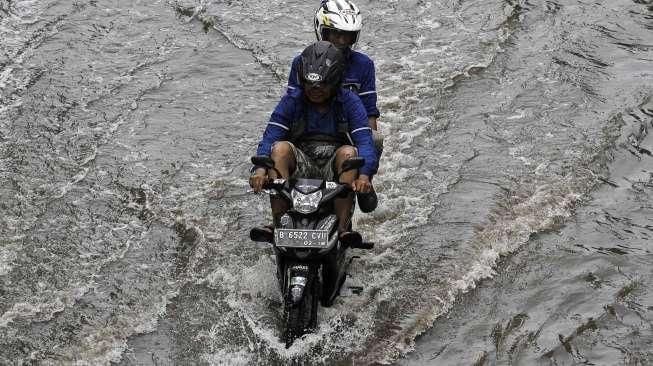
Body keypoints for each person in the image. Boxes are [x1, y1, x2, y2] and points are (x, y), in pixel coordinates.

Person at [250, 41, 378, 238]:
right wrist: (259, 171)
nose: (315, 89)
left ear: (335, 81)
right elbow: (270, 137)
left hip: (335, 171)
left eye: (322, 84)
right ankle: (280, 224)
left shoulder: (350, 102)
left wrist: (363, 177)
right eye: (310, 84)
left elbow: (365, 142)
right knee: (280, 149)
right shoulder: (292, 101)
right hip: (302, 165)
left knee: (350, 153)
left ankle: (341, 229)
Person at [287, 0, 381, 212]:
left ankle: (360, 188)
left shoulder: (363, 65)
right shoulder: (301, 62)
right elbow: (291, 103)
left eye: (347, 36)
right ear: (323, 32)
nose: (341, 41)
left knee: (374, 138)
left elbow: (370, 111)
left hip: (348, 129)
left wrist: (366, 167)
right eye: (336, 34)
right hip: (310, 129)